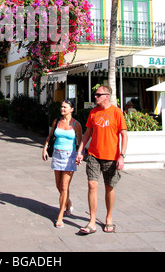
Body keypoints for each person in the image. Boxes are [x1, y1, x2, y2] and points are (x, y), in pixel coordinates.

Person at [76, 85, 128, 234]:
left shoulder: (117, 113)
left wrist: (122, 156)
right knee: (92, 185)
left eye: (98, 94)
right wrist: (80, 151)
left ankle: (109, 218)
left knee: (109, 187)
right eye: (95, 94)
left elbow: (124, 135)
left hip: (111, 156)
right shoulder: (93, 112)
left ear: (106, 96)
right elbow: (87, 133)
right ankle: (92, 222)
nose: (95, 97)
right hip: (93, 155)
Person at [43, 99, 82, 228]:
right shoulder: (57, 121)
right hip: (57, 154)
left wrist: (80, 154)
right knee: (58, 186)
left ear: (72, 109)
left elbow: (81, 142)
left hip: (69, 156)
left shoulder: (76, 124)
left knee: (64, 187)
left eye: (65, 107)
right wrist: (45, 148)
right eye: (62, 107)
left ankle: (60, 216)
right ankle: (68, 203)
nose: (62, 109)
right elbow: (50, 136)